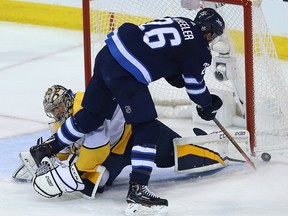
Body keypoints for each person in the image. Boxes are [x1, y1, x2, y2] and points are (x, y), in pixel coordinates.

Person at [29, 8, 225, 214]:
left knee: (91, 115)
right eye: (213, 35)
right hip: (127, 72)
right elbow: (195, 87)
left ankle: (49, 148)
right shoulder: (199, 46)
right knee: (148, 129)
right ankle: (138, 189)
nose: (211, 40)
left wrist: (177, 74)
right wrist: (207, 103)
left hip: (108, 55)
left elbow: (165, 56)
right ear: (210, 32)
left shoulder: (181, 21)